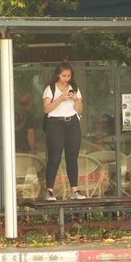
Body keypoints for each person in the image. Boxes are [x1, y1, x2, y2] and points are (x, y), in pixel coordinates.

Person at [42, 62, 85, 201]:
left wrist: (75, 99)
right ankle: (49, 190)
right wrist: (60, 98)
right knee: (54, 157)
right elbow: (46, 109)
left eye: (69, 75)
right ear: (57, 75)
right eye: (64, 75)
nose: (66, 78)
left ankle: (75, 190)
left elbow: (79, 110)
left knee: (72, 157)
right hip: (55, 123)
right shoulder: (51, 89)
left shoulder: (75, 88)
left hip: (72, 122)